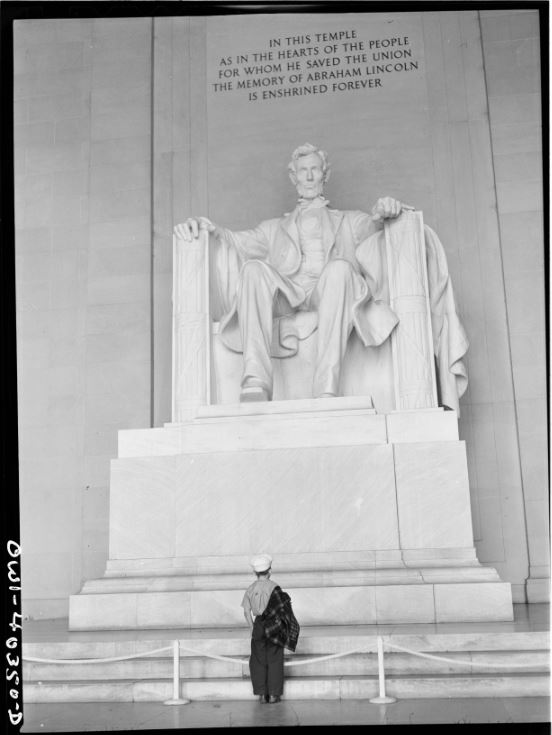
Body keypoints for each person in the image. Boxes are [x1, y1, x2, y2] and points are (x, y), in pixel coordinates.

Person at [174, 143, 407, 402]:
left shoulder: (351, 220)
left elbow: (377, 232)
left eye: (315, 170)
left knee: (340, 268)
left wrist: (387, 212)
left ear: (325, 175)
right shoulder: (273, 228)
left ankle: (326, 386)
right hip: (289, 295)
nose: (309, 177)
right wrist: (208, 229)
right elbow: (236, 241)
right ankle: (256, 379)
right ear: (293, 177)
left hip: (330, 290)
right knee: (253, 269)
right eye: (303, 171)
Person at [241, 554, 299, 704]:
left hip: (259, 624)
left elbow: (246, 611)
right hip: (274, 625)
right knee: (274, 659)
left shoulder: (250, 588)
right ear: (270, 571)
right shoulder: (275, 587)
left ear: (255, 572)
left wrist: (252, 627)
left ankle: (261, 695)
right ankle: (273, 695)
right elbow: (282, 610)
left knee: (258, 660)